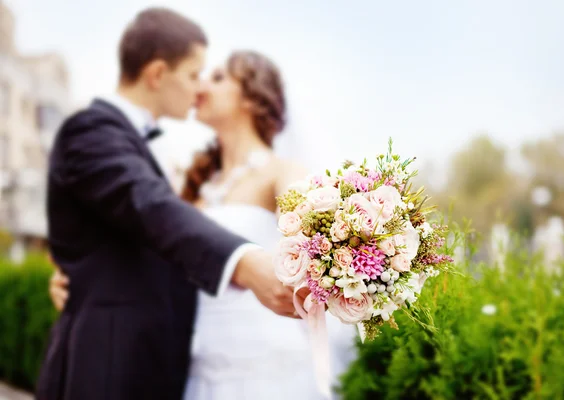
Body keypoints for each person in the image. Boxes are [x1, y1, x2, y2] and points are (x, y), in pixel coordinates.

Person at [50, 50, 357, 399]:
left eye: (217, 77)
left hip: (265, 367)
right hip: (193, 365)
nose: (200, 86)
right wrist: (88, 280)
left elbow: (316, 236)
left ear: (251, 98)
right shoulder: (189, 188)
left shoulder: (282, 174)